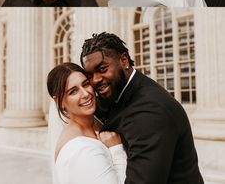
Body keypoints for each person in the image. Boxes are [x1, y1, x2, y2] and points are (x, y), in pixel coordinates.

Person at [81, 32, 204, 184]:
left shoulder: (150, 112)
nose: (95, 80)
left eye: (103, 69)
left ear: (124, 60)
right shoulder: (119, 91)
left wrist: (116, 150)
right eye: (89, 75)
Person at [47, 62, 127, 184]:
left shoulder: (95, 126)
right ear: (59, 102)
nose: (85, 94)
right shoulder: (80, 149)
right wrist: (116, 150)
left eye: (85, 84)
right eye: (73, 91)